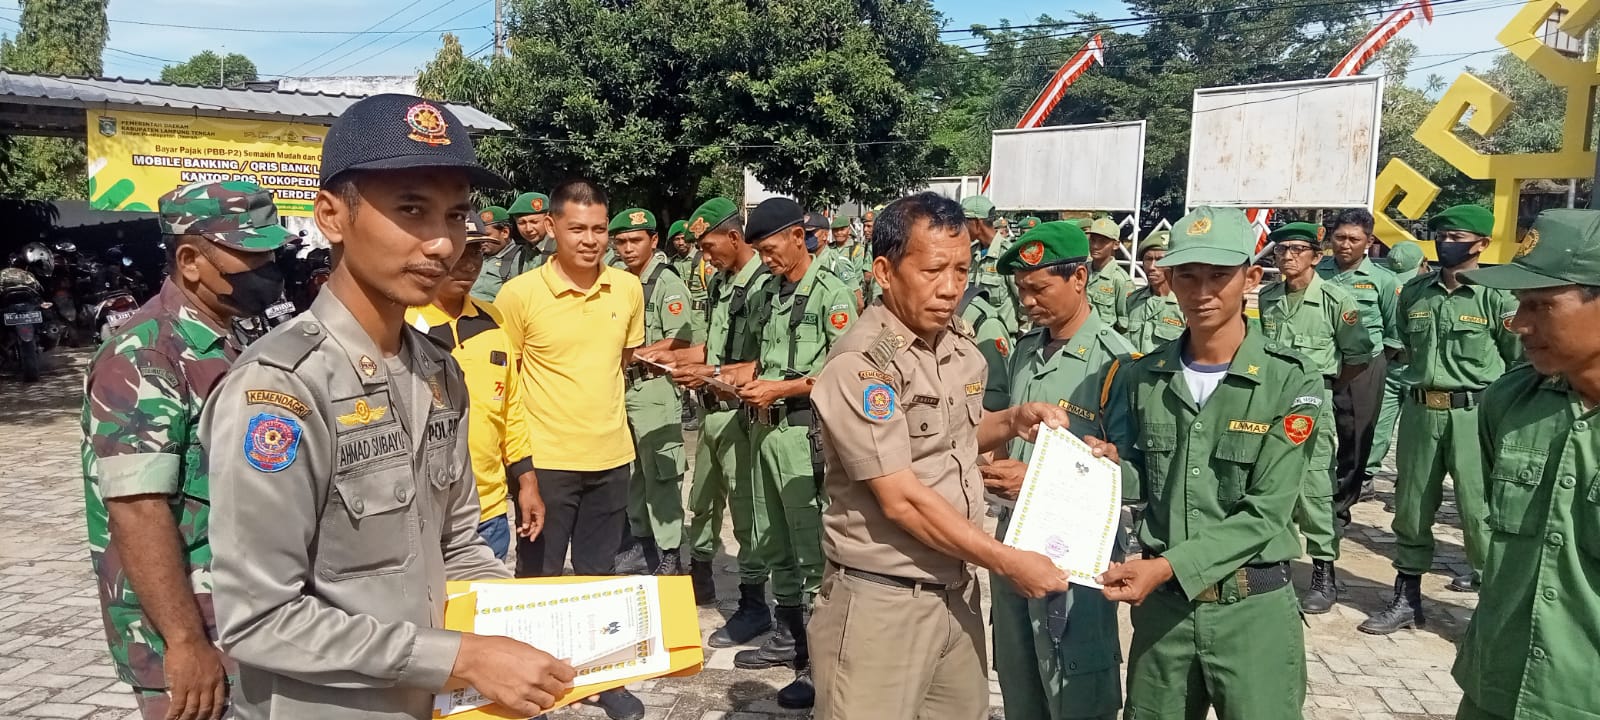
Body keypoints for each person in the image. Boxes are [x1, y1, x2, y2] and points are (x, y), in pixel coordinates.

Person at [203, 94, 576, 720]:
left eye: (456, 216)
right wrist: (459, 658)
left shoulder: (438, 373)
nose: (441, 244)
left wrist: (524, 628)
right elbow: (259, 618)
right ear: (332, 216)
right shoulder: (282, 390)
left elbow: (458, 544)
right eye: (410, 210)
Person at [809, 191, 1073, 720]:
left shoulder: (957, 349)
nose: (951, 288)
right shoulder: (864, 367)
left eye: (961, 269)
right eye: (932, 270)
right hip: (882, 605)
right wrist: (1006, 561)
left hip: (956, 593)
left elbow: (951, 440)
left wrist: (1013, 420)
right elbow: (901, 498)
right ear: (884, 271)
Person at [1090, 206, 1321, 720]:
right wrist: (1101, 466)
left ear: (1252, 277)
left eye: (1220, 276)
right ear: (1168, 280)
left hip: (1251, 612)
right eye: (1188, 276)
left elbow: (1266, 513)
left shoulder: (1291, 382)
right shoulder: (1144, 377)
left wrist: (1167, 565)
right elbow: (1142, 479)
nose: (1202, 292)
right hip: (1164, 613)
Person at [81, 180, 289, 720]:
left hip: (243, 619)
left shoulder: (231, 337)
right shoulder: (145, 355)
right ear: (191, 260)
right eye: (250, 255)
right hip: (191, 632)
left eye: (270, 251)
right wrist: (185, 642)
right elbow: (137, 510)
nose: (266, 265)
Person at [1449, 208, 1600, 719]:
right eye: (1518, 305)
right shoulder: (1510, 403)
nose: (1519, 324)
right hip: (1497, 685)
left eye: (1541, 305)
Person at [987, 221, 1134, 720]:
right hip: (1014, 537)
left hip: (1077, 548)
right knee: (1019, 674)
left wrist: (1036, 481)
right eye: (1021, 290)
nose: (1027, 301)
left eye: (1039, 288)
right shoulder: (1026, 352)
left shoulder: (1117, 363)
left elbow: (1125, 474)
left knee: (1075, 683)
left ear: (1080, 278)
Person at [1359, 205, 1521, 634]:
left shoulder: (1497, 297)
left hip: (1474, 415)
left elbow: (1518, 362)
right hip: (1420, 412)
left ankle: (1490, 609)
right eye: (1441, 235)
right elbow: (1405, 351)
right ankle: (1406, 597)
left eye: (1456, 237)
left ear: (1481, 244)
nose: (1445, 243)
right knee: (1411, 505)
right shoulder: (1414, 293)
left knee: (1478, 510)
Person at [730, 198, 858, 708]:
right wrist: (735, 375)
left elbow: (847, 371)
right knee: (772, 538)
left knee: (811, 552)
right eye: (759, 252)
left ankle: (816, 667)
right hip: (765, 432)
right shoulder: (771, 290)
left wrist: (780, 391)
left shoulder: (832, 291)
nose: (766, 260)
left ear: (797, 234)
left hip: (805, 436)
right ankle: (789, 637)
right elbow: (767, 356)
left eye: (770, 249)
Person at [638, 198, 777, 628]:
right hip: (712, 409)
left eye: (709, 244)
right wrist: (666, 355)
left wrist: (709, 372)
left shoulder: (763, 287)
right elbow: (711, 347)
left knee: (746, 508)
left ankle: (754, 603)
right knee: (702, 500)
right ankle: (700, 580)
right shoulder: (720, 283)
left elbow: (766, 361)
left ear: (734, 237)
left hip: (742, 412)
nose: (704, 254)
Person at [406, 216, 541, 561]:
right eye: (460, 253)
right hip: (422, 509)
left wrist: (527, 483)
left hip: (489, 510)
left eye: (478, 252)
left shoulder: (493, 320)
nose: (469, 265)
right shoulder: (403, 323)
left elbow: (510, 410)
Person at [1257, 222, 1373, 614]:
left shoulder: (1336, 301)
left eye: (1297, 250)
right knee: (1273, 479)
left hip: (1314, 400)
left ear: (1315, 256)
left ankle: (1324, 571)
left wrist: (1325, 388)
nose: (1287, 257)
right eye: (1281, 250)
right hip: (1273, 400)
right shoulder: (1268, 298)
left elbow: (1358, 356)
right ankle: (1280, 564)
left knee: (1315, 486)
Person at [609, 207, 697, 576]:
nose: (628, 248)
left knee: (662, 473)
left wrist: (635, 354)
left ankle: (670, 552)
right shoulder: (617, 280)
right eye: (621, 241)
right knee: (633, 475)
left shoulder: (666, 282)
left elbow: (680, 337)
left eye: (635, 240)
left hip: (653, 389)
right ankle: (641, 544)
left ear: (653, 241)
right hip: (621, 389)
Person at [1318, 208, 1399, 520]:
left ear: (1369, 241)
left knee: (1355, 438)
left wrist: (1373, 367)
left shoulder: (1383, 281)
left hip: (1365, 367)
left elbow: (1394, 333)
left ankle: (1341, 504)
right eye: (1340, 237)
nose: (1345, 244)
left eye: (1354, 239)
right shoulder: (1317, 272)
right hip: (1321, 361)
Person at [1366, 239, 1427, 478]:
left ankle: (1411, 480)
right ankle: (1366, 476)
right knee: (1379, 426)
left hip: (1420, 371)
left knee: (1418, 432)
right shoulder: (1385, 285)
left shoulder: (1434, 291)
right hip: (1391, 367)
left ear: (1425, 265)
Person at [473, 192, 549, 300]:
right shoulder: (527, 252)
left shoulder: (558, 248)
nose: (528, 228)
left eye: (534, 222)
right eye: (521, 223)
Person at [964, 195, 1020, 336]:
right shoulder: (970, 252)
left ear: (977, 223)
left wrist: (1023, 334)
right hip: (972, 335)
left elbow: (1023, 299)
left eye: (965, 221)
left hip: (1001, 338)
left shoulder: (1007, 254)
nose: (962, 227)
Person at [1125, 229, 1185, 356]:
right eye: (1148, 259)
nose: (1152, 267)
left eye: (1159, 259)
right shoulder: (1133, 301)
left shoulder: (1184, 304)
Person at [1085, 218, 1134, 332]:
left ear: (1116, 245)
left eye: (1102, 241)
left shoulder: (1120, 280)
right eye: (1092, 240)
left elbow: (1124, 323)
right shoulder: (1081, 271)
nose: (1095, 246)